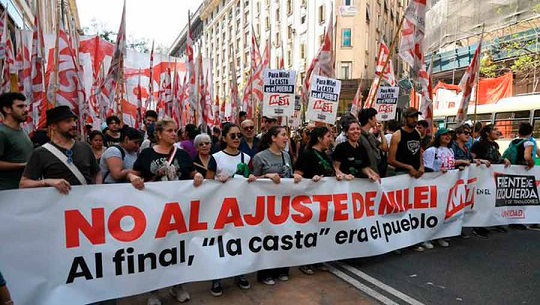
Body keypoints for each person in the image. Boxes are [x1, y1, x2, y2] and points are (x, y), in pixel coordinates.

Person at [129, 118, 203, 304]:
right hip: (153, 209)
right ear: (159, 134)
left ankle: (177, 285)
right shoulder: (146, 154)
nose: (173, 134)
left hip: (178, 209)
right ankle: (153, 289)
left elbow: (191, 172)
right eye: (169, 130)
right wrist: (131, 177)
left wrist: (198, 175)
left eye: (175, 130)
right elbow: (135, 173)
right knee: (154, 249)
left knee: (178, 248)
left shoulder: (183, 154)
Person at [205, 123, 253, 296]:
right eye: (232, 135)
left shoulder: (246, 158)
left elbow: (247, 180)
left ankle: (239, 273)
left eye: (238, 135)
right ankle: (216, 278)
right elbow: (207, 184)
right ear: (224, 138)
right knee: (219, 243)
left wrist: (252, 178)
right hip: (219, 208)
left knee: (239, 241)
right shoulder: (216, 158)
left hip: (240, 208)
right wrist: (218, 181)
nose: (236, 139)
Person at [20, 106, 102, 193]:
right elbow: (24, 184)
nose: (74, 124)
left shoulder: (85, 147)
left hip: (84, 204)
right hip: (58, 205)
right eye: (68, 121)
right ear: (53, 126)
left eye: (74, 120)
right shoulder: (41, 152)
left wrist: (97, 191)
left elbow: (97, 173)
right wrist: (46, 182)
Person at [252, 126, 294, 285]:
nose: (286, 138)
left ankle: (282, 269)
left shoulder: (287, 156)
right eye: (283, 135)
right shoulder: (259, 157)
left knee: (284, 236)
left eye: (286, 135)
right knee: (268, 238)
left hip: (284, 204)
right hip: (266, 206)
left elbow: (290, 176)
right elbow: (251, 181)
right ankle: (265, 273)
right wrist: (266, 176)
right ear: (273, 138)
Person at [294, 126, 336, 275]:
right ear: (319, 138)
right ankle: (305, 261)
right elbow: (298, 175)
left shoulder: (325, 155)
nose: (330, 139)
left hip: (324, 199)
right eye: (328, 136)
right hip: (309, 200)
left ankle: (317, 259)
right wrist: (310, 181)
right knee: (309, 231)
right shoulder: (307, 154)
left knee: (321, 230)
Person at [388, 107, 425, 252]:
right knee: (400, 210)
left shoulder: (416, 133)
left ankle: (412, 239)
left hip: (416, 175)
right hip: (401, 176)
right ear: (405, 118)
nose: (415, 120)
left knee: (414, 209)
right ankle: (397, 241)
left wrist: (421, 166)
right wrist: (408, 167)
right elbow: (391, 159)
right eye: (412, 117)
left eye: (416, 117)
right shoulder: (397, 135)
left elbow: (419, 153)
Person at [471, 124, 511, 238]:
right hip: (482, 177)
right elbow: (471, 158)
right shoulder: (478, 144)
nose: (497, 132)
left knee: (492, 200)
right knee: (482, 200)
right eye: (494, 130)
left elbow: (496, 158)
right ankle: (478, 226)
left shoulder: (495, 145)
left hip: (493, 177)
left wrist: (504, 160)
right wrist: (480, 161)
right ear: (487, 133)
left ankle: (490, 222)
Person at [422, 128, 457, 249]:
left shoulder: (451, 150)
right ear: (438, 137)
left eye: (449, 135)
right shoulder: (432, 150)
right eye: (444, 135)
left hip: (448, 186)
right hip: (434, 186)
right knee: (432, 212)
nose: (447, 137)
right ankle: (426, 238)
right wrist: (437, 171)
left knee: (444, 212)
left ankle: (440, 236)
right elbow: (426, 168)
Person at [0, 92, 34, 190]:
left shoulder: (23, 131)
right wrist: (23, 165)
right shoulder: (2, 132)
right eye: (20, 106)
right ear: (7, 109)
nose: (26, 110)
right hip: (7, 192)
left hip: (24, 190)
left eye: (25, 106)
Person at [358, 108, 388, 177]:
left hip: (376, 172)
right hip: (366, 175)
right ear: (369, 119)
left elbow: (384, 148)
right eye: (374, 117)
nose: (376, 120)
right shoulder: (358, 136)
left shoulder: (371, 136)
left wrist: (381, 132)